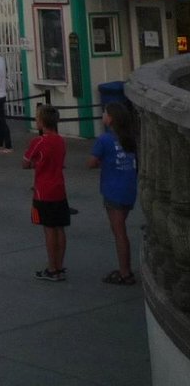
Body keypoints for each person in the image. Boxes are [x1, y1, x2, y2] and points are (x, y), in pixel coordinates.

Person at [88, 102, 138, 285]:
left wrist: (104, 163)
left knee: (119, 232)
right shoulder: (129, 138)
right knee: (120, 229)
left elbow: (91, 163)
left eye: (105, 113)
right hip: (128, 188)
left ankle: (125, 273)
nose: (103, 116)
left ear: (111, 118)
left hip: (113, 189)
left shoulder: (104, 140)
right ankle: (125, 269)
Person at [24, 104, 70, 282]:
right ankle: (59, 266)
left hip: (43, 191)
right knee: (60, 227)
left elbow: (25, 163)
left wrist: (37, 164)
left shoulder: (39, 141)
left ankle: (52, 268)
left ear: (42, 122)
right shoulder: (60, 140)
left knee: (48, 229)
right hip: (59, 189)